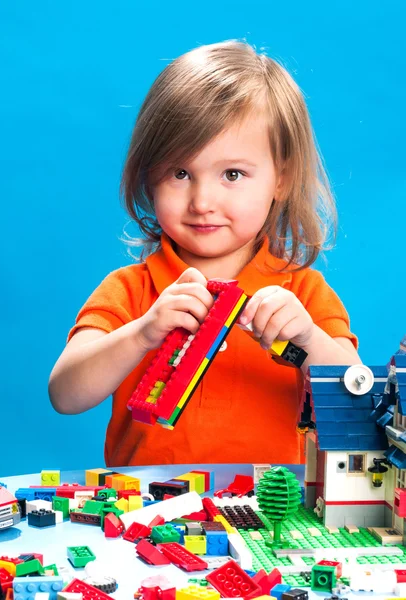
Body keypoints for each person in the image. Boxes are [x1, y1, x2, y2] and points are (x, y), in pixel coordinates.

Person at [49, 40, 360, 467]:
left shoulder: (303, 292)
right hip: (152, 514)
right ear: (148, 175)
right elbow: (65, 395)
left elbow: (357, 397)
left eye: (232, 174)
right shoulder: (132, 291)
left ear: (281, 179)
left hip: (274, 514)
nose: (202, 201)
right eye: (180, 173)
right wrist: (141, 334)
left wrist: (309, 340)